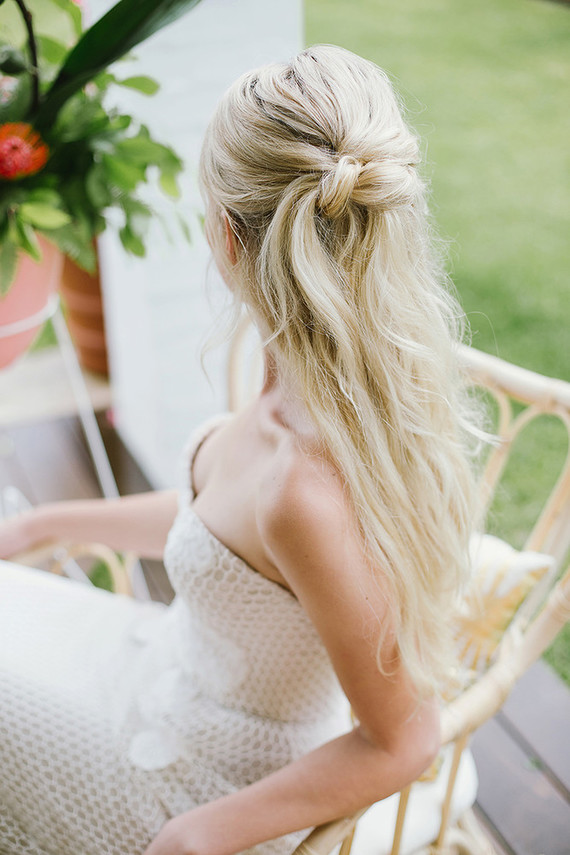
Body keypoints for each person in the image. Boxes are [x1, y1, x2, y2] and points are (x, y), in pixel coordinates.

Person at [0, 45, 482, 855]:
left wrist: (196, 835)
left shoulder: (307, 484)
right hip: (165, 675)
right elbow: (221, 532)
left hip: (204, 779)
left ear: (225, 234)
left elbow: (404, 739)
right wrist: (44, 525)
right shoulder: (295, 375)